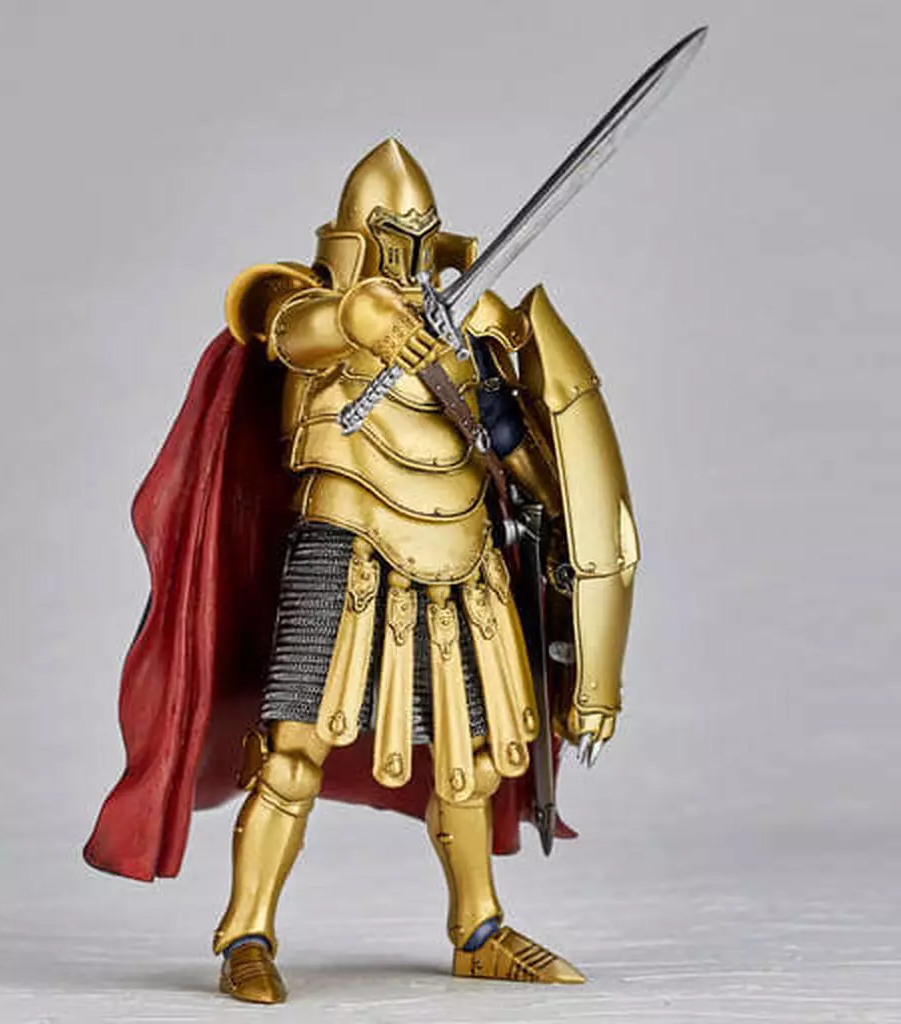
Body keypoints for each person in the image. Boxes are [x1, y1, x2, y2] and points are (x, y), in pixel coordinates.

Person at [85, 138, 639, 1006]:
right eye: (390, 235)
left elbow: (527, 452)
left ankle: (479, 929)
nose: (406, 254)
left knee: (473, 761)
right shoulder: (314, 307)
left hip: (464, 562)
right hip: (343, 552)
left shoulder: (471, 320)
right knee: (290, 754)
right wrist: (357, 317)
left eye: (419, 236)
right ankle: (246, 935)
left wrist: (524, 453)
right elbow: (280, 322)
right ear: (355, 233)